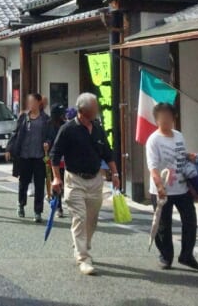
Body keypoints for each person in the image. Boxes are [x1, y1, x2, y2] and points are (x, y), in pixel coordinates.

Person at [50, 93, 120, 276]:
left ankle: (82, 246)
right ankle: (83, 257)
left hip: (96, 179)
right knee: (80, 217)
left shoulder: (97, 128)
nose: (97, 110)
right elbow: (54, 155)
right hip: (75, 180)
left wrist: (115, 173)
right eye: (94, 108)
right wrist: (56, 178)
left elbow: (107, 152)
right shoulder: (67, 129)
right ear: (83, 111)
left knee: (92, 218)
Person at [147, 102, 198, 271]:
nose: (166, 121)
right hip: (162, 189)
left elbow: (180, 156)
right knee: (164, 225)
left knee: (190, 221)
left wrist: (189, 156)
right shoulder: (153, 140)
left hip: (182, 187)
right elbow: (153, 166)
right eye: (162, 118)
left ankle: (187, 255)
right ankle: (166, 257)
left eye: (169, 117)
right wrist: (159, 186)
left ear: (174, 118)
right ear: (156, 120)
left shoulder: (179, 136)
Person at [8, 92, 53, 222]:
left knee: (39, 184)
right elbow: (15, 133)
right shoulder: (23, 117)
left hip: (39, 156)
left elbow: (51, 136)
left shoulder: (46, 119)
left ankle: (37, 211)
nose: (30, 104)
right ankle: (21, 204)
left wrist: (48, 144)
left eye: (33, 101)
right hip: (24, 156)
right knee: (23, 183)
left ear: (39, 103)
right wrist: (10, 148)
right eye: (29, 101)